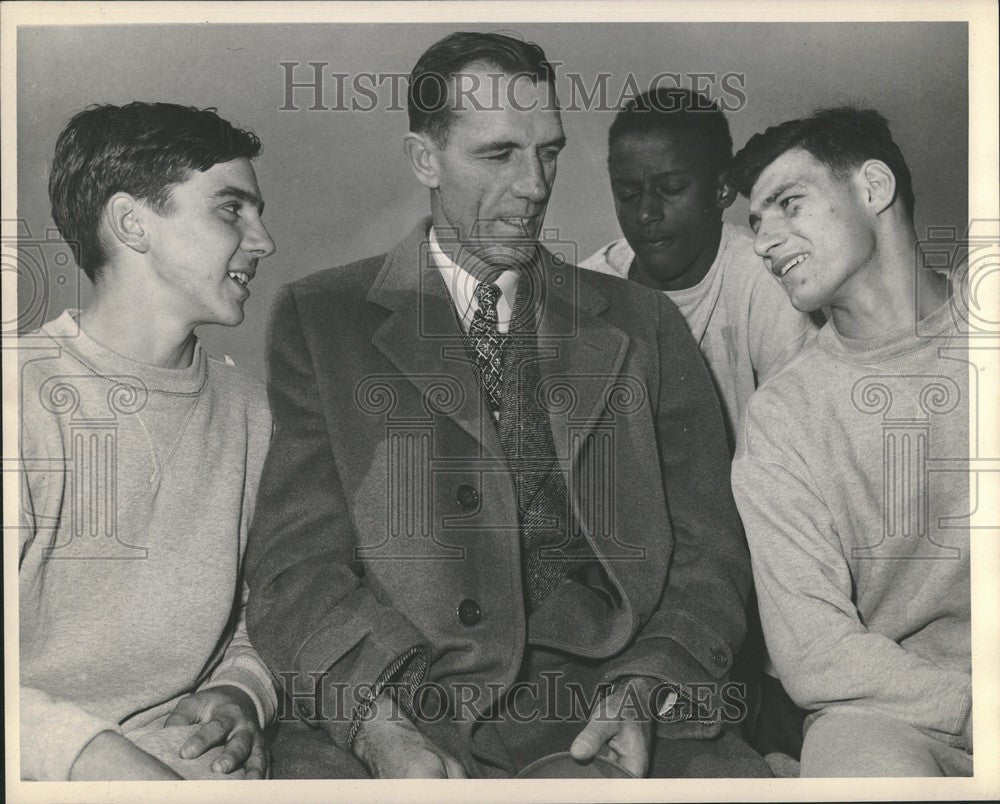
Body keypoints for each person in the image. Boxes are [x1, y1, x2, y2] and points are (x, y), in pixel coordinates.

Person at [246, 31, 768, 779]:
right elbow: (297, 572)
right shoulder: (323, 319)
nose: (534, 185)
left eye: (547, 151)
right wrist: (377, 730)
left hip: (614, 703)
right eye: (498, 154)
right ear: (425, 159)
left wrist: (647, 687)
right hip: (400, 705)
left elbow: (710, 554)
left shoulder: (645, 324)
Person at [19, 102, 278, 781]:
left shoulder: (255, 412)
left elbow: (269, 618)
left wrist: (241, 693)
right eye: (231, 210)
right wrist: (90, 757)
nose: (263, 241)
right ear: (132, 223)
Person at [728, 107, 972, 776]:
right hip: (887, 713)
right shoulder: (781, 417)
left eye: (789, 204)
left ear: (873, 188)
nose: (764, 241)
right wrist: (974, 706)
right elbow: (815, 653)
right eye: (756, 223)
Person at [581, 88, 816, 453]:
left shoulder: (765, 280)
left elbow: (801, 454)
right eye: (627, 193)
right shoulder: (589, 290)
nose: (646, 214)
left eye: (671, 189)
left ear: (722, 190)